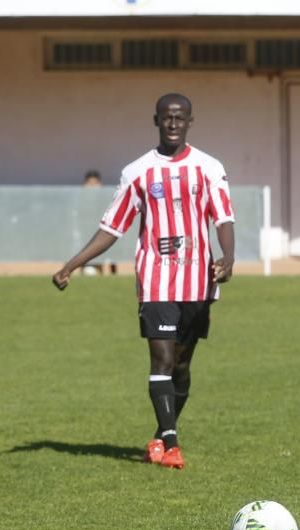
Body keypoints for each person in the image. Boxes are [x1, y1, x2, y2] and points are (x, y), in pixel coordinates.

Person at [52, 93, 235, 470]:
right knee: (162, 360)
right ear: (156, 121)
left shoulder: (208, 167)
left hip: (198, 281)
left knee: (181, 368)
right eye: (166, 117)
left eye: (179, 117)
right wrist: (72, 264)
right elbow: (111, 228)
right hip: (156, 281)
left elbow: (223, 219)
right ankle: (172, 444)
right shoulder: (137, 172)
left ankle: (158, 435)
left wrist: (228, 258)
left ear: (189, 121)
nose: (172, 123)